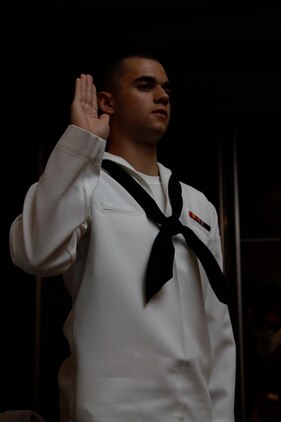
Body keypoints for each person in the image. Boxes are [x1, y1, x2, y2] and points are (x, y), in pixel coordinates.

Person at [9, 52, 236, 422]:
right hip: (107, 409)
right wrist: (81, 143)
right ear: (107, 102)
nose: (162, 96)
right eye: (145, 85)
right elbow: (35, 253)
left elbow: (217, 324)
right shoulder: (83, 183)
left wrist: (221, 413)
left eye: (166, 89)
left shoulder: (199, 205)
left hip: (194, 410)